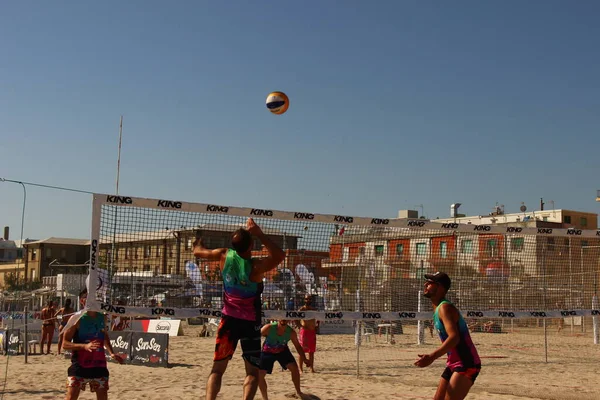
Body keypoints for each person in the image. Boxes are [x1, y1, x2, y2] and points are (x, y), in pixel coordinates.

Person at [193, 218, 285, 400]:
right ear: (251, 245)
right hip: (250, 322)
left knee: (217, 370)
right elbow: (280, 255)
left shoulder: (223, 255)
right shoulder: (255, 267)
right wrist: (259, 233)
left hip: (228, 320)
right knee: (251, 372)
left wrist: (198, 240)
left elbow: (198, 251)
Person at [415, 272, 481, 400]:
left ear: (440, 288)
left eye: (430, 283)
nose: (426, 284)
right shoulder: (438, 308)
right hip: (454, 363)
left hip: (467, 363)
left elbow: (454, 337)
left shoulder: (445, 307)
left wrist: (432, 356)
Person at [62, 289, 124, 400]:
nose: (93, 299)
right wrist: (84, 346)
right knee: (71, 397)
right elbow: (64, 344)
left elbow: (104, 336)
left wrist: (112, 353)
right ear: (82, 301)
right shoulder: (77, 319)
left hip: (99, 364)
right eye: (89, 297)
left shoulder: (102, 317)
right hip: (79, 365)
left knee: (103, 397)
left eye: (94, 297)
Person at [258, 320, 310, 400]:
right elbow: (255, 337)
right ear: (278, 319)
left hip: (282, 350)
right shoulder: (269, 327)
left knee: (294, 368)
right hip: (267, 351)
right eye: (281, 318)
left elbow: (298, 346)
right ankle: (265, 398)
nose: (283, 320)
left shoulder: (291, 332)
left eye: (285, 319)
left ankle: (298, 392)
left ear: (288, 320)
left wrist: (304, 359)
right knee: (260, 375)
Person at [297, 295, 317, 373]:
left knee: (311, 351)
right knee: (302, 350)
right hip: (304, 332)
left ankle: (311, 368)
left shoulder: (314, 310)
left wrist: (317, 325)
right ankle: (301, 369)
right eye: (306, 299)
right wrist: (300, 326)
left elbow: (318, 318)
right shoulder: (302, 309)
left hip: (312, 332)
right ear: (304, 300)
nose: (308, 300)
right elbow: (295, 319)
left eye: (309, 299)